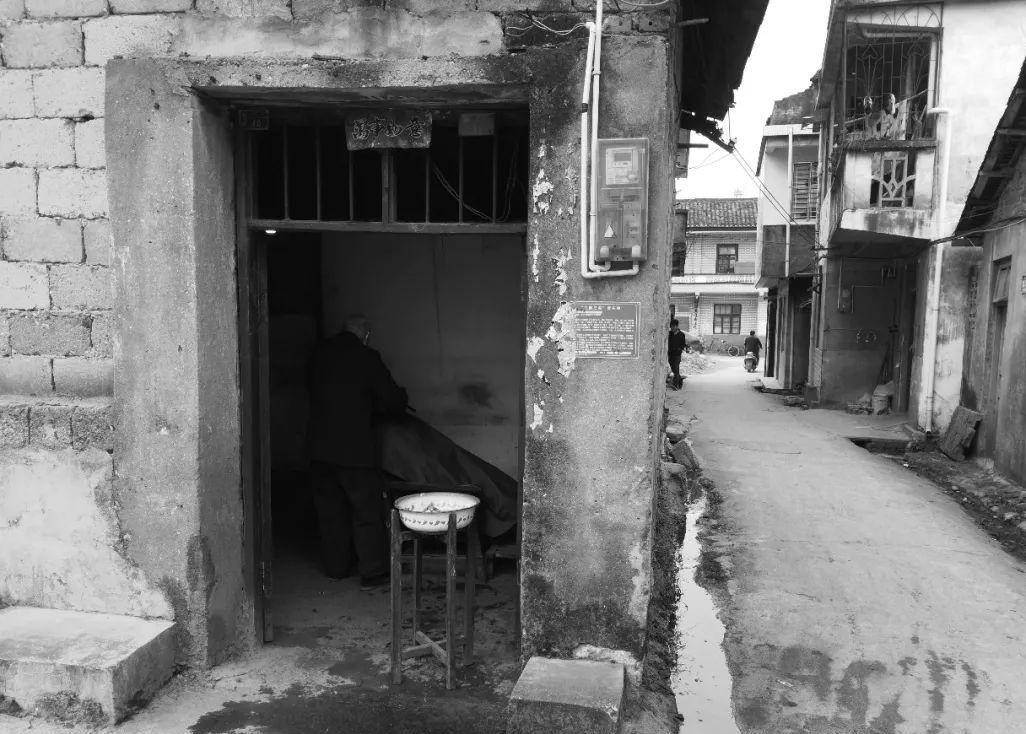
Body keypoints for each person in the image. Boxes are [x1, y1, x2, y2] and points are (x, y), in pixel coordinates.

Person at [308, 314, 408, 590]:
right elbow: (392, 400)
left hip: (319, 450)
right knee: (366, 510)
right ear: (364, 333)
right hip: (355, 451)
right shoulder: (366, 357)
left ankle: (336, 568)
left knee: (330, 511)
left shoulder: (319, 356)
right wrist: (400, 398)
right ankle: (372, 572)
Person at [667, 319, 687, 390]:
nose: (672, 328)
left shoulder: (681, 334)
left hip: (677, 355)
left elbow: (683, 345)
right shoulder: (669, 334)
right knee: (673, 369)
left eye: (673, 326)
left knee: (676, 368)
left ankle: (676, 384)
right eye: (671, 326)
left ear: (677, 326)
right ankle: (680, 380)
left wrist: (679, 349)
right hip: (670, 354)